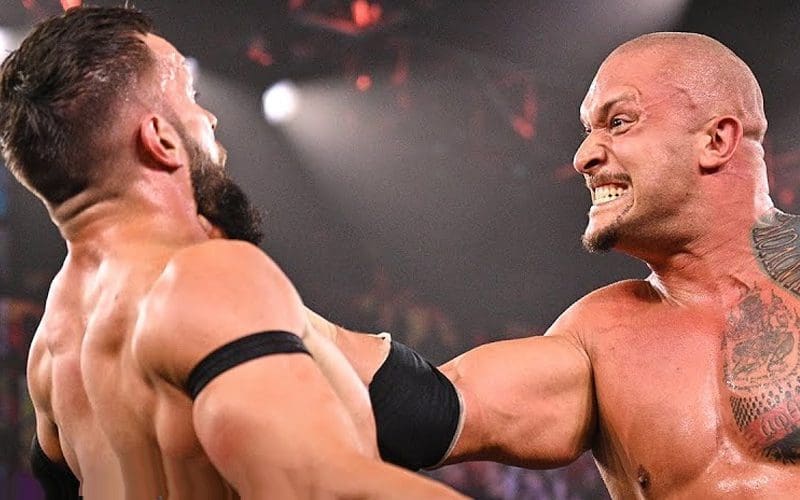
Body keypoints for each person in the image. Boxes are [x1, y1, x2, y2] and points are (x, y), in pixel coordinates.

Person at [308, 32, 800, 497]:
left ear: (716, 140)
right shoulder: (602, 337)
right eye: (589, 131)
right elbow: (431, 410)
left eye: (619, 122)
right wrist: (263, 290)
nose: (583, 157)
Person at [0, 6, 464, 499]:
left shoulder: (52, 353)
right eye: (191, 96)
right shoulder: (202, 279)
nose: (210, 117)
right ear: (160, 140)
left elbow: (463, 403)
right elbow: (323, 487)